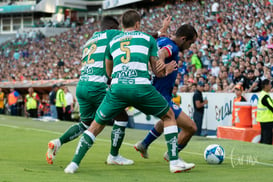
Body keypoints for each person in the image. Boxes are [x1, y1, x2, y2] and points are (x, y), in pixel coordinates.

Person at [64, 10, 186, 174]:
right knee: (169, 116)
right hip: (141, 88)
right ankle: (174, 162)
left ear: (122, 25)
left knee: (94, 126)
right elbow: (157, 71)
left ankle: (73, 164)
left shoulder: (113, 41)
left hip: (117, 89)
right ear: (137, 24)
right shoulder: (147, 39)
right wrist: (168, 70)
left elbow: (108, 72)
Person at [46, 16, 132, 166]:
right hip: (96, 86)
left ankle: (58, 142)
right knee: (121, 117)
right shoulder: (111, 34)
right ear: (112, 27)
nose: (119, 31)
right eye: (117, 29)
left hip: (82, 85)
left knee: (85, 122)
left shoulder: (89, 41)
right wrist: (158, 33)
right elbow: (134, 37)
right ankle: (114, 156)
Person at [134, 24, 197, 168]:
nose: (189, 46)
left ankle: (144, 144)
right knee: (191, 127)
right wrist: (161, 63)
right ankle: (172, 155)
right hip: (160, 95)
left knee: (166, 119)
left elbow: (159, 41)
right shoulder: (173, 47)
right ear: (183, 38)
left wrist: (162, 28)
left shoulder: (163, 39)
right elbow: (162, 53)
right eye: (190, 43)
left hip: (154, 92)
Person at [257, 79, 273, 145]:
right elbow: (271, 107)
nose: (271, 86)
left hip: (263, 119)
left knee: (264, 137)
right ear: (266, 86)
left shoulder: (262, 94)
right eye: (269, 84)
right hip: (267, 120)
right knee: (267, 139)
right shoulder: (265, 96)